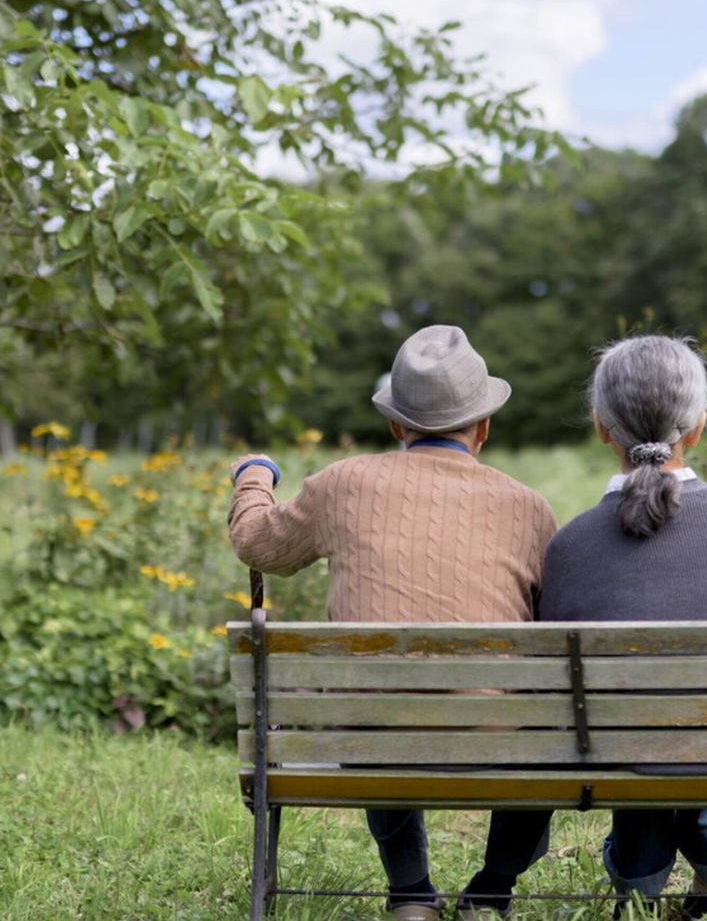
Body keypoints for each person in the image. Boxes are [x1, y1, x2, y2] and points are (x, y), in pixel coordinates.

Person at [227, 324, 558, 921]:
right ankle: (492, 891)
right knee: (547, 726)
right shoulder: (530, 508)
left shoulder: (342, 484)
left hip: (369, 742)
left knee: (377, 699)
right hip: (496, 742)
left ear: (396, 427)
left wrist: (254, 474)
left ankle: (411, 893)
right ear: (484, 427)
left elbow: (257, 544)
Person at [538, 335, 707, 920]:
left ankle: (637, 881)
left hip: (613, 749)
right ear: (698, 425)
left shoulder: (570, 544)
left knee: (633, 723)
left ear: (601, 426)